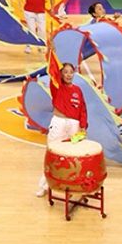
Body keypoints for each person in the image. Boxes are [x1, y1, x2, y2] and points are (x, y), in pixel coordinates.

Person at [35, 62, 87, 197]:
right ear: (61, 74)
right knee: (52, 154)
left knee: (73, 156)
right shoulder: (57, 86)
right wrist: (52, 53)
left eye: (71, 72)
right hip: (59, 123)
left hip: (74, 125)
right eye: (65, 72)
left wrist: (83, 125)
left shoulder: (78, 90)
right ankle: (44, 186)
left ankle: (71, 186)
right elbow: (53, 71)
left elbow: (83, 108)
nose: (69, 75)